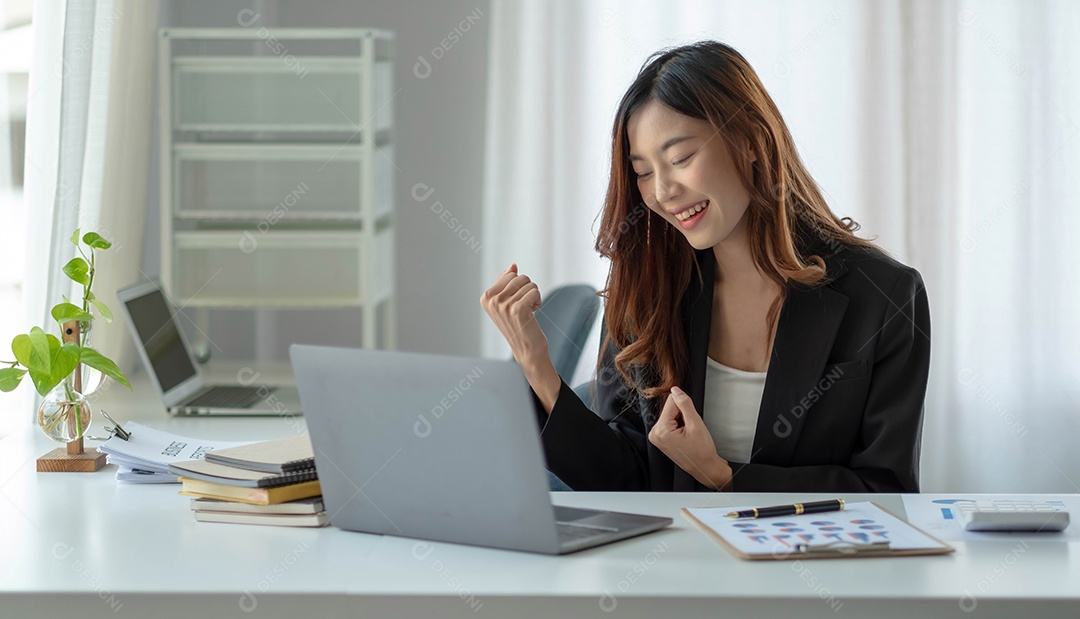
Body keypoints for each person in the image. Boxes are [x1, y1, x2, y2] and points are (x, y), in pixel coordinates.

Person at [481, 41, 930, 493]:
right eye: (643, 172)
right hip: (672, 542)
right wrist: (536, 364)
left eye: (680, 159)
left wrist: (722, 476)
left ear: (752, 141)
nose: (663, 192)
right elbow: (623, 479)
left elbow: (885, 491)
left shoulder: (885, 295)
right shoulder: (647, 289)